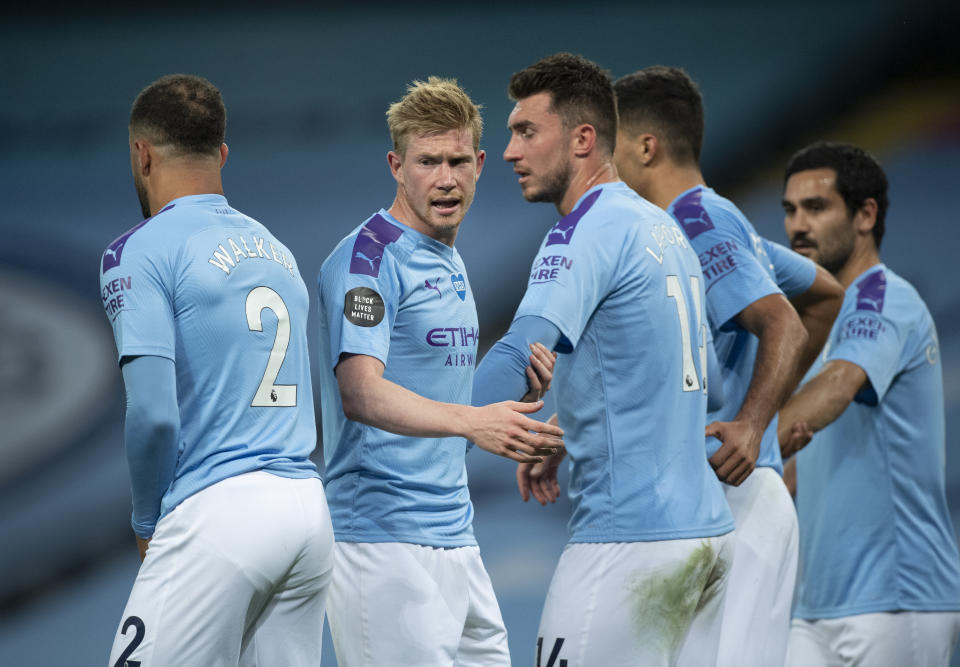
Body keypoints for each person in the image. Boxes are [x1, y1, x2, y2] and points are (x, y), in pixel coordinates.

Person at [485, 52, 735, 666]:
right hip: (706, 538)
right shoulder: (663, 229)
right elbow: (708, 386)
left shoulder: (582, 232)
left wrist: (428, 428)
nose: (510, 152)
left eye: (525, 131)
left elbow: (521, 351)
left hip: (629, 542)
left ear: (583, 139)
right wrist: (575, 430)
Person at [316, 76, 563, 667]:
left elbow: (441, 393)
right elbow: (361, 393)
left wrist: (510, 403)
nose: (446, 178)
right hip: (381, 542)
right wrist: (474, 424)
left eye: (457, 160)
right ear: (396, 165)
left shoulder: (444, 255)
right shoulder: (369, 258)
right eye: (428, 162)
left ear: (480, 163)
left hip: (456, 536)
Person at [612, 65, 844, 666]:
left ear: (645, 147)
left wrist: (755, 421)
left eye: (609, 147)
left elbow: (787, 320)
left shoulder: (697, 221)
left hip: (738, 499)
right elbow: (822, 293)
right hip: (716, 498)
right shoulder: (710, 223)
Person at [100, 74, 333, 666]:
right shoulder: (275, 250)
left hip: (221, 515)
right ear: (222, 154)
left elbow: (153, 416)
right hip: (306, 509)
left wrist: (146, 520)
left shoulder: (139, 249)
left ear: (141, 153)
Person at [778, 141, 960, 666]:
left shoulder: (882, 297)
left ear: (865, 215)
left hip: (896, 599)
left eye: (816, 207)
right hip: (816, 605)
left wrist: (752, 437)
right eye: (790, 210)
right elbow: (801, 461)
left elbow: (838, 386)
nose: (797, 225)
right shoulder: (819, 320)